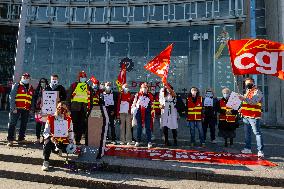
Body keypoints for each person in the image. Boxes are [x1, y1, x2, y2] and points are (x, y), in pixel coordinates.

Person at [41, 102, 76, 171]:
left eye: (63, 108)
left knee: (71, 148)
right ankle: (46, 162)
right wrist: (50, 137)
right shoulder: (51, 118)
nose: (61, 109)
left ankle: (59, 150)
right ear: (57, 108)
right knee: (47, 143)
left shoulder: (69, 119)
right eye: (59, 107)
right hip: (53, 140)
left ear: (66, 109)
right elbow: (46, 131)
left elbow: (71, 131)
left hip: (64, 141)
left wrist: (71, 140)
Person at [238, 77, 264, 158]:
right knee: (247, 134)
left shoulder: (258, 92)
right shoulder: (247, 92)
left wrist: (243, 98)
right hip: (246, 116)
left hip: (254, 116)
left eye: (249, 83)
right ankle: (247, 148)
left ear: (253, 83)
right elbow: (246, 104)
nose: (247, 85)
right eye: (246, 84)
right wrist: (241, 108)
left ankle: (260, 151)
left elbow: (253, 102)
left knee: (257, 133)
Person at [7, 73, 34, 146]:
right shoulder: (17, 85)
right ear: (21, 78)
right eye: (24, 77)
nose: (26, 78)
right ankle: (10, 139)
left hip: (26, 109)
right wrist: (13, 108)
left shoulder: (31, 87)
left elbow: (31, 99)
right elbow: (12, 97)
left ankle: (21, 138)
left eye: (27, 77)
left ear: (29, 79)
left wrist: (31, 108)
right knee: (12, 124)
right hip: (17, 108)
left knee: (24, 124)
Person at [67, 71, 92, 145]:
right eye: (82, 77)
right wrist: (68, 108)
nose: (83, 78)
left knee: (81, 125)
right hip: (74, 108)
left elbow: (90, 98)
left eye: (84, 77)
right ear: (79, 78)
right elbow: (68, 97)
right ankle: (71, 139)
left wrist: (89, 108)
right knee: (73, 124)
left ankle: (78, 140)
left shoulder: (88, 86)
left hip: (83, 109)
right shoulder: (74, 85)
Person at [131, 83, 154, 148]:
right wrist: (133, 110)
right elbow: (134, 103)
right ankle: (138, 141)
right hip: (139, 112)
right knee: (139, 127)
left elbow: (152, 104)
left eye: (146, 87)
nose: (144, 88)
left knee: (148, 127)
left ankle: (149, 141)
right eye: (143, 87)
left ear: (147, 88)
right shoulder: (137, 95)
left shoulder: (150, 95)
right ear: (140, 88)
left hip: (147, 113)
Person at [33, 78, 50, 143]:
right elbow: (34, 99)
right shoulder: (37, 90)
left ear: (46, 82)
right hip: (38, 110)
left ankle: (44, 138)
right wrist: (34, 108)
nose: (43, 83)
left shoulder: (48, 89)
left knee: (45, 125)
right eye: (41, 82)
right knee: (38, 125)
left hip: (46, 110)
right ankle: (38, 138)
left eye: (44, 82)